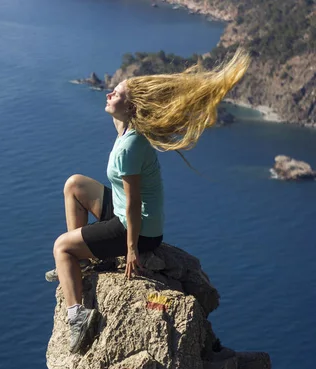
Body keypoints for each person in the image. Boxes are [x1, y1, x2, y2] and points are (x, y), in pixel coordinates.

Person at [48, 49, 251, 353]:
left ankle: (78, 315)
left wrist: (130, 250)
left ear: (130, 106)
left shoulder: (129, 147)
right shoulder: (128, 130)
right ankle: (86, 257)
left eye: (116, 92)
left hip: (139, 229)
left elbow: (133, 203)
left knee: (61, 245)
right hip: (125, 214)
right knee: (74, 185)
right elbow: (122, 196)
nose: (108, 92)